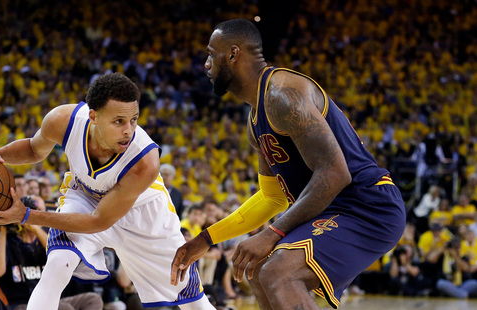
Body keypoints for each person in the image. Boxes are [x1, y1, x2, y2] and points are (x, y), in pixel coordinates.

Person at [170, 19, 406, 309]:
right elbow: (272, 198)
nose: (206, 64)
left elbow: (335, 173)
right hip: (334, 209)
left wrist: (272, 233)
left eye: (211, 54)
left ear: (233, 54)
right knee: (257, 270)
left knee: (278, 274)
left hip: (368, 206)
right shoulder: (256, 118)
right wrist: (207, 238)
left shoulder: (282, 96)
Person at [0, 73, 214, 309]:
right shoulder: (63, 121)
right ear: (93, 117)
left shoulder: (145, 161)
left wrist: (25, 216)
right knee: (58, 265)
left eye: (134, 120)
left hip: (144, 214)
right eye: (119, 121)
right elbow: (35, 149)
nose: (129, 130)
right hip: (85, 196)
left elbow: (98, 221)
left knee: (192, 301)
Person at [0, 196, 103, 310]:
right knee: (65, 308)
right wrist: (2, 232)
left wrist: (36, 229)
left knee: (93, 300)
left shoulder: (46, 237)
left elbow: (60, 254)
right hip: (20, 304)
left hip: (50, 300)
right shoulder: (7, 240)